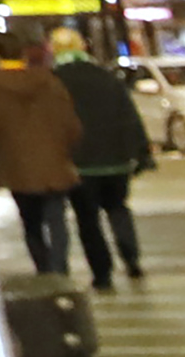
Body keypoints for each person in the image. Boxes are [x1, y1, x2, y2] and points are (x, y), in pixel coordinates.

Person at [54, 30, 154, 290]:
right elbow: (130, 116)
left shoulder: (54, 81)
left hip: (79, 163)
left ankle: (102, 272)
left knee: (87, 220)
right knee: (118, 208)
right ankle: (132, 259)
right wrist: (142, 153)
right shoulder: (106, 77)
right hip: (116, 159)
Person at [0, 36, 84, 278]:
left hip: (15, 167)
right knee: (57, 220)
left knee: (31, 222)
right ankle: (60, 268)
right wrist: (63, 151)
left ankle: (43, 268)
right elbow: (72, 126)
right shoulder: (50, 83)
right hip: (54, 165)